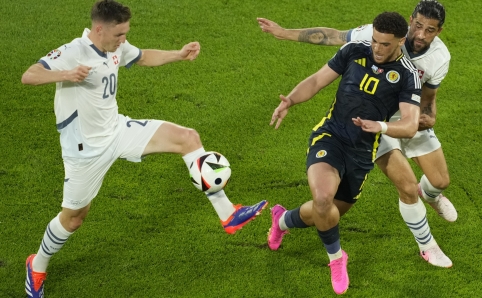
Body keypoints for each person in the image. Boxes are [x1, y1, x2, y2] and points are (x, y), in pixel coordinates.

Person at [21, 1, 267, 297]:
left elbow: (142, 57)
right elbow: (30, 75)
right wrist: (66, 74)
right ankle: (38, 264)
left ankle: (228, 214)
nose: (123, 40)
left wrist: (179, 54)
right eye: (120, 34)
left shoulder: (114, 47)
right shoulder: (73, 51)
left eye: (126, 34)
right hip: (84, 151)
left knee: (188, 138)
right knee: (74, 218)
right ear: (99, 29)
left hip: (118, 130)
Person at [260, 0, 455, 268]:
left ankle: (431, 195)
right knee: (406, 187)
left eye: (430, 30)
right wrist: (285, 33)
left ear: (439, 31)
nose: (421, 34)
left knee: (440, 180)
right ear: (410, 21)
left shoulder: (439, 58)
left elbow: (429, 98)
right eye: (418, 26)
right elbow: (332, 37)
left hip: (407, 117)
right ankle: (428, 246)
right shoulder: (373, 36)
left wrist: (429, 116)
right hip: (373, 124)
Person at [268, 11, 421, 294]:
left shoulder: (408, 76)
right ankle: (337, 260)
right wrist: (290, 99)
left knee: (327, 213)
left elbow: (411, 125)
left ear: (401, 41)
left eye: (385, 44)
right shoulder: (353, 52)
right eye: (375, 40)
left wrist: (381, 126)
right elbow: (316, 81)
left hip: (362, 154)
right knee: (323, 200)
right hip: (331, 137)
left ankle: (281, 220)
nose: (377, 48)